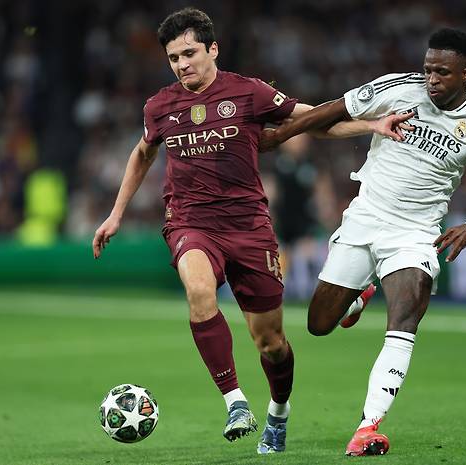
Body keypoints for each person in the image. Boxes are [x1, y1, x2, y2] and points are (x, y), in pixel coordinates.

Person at [91, 7, 410, 454]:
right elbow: (143, 153)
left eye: (189, 53)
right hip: (190, 222)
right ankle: (235, 401)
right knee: (199, 290)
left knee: (271, 343)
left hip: (249, 228)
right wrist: (116, 213)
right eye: (173, 58)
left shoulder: (249, 92)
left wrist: (370, 124)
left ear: (213, 49)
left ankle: (279, 411)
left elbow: (312, 118)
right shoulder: (159, 106)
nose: (181, 64)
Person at [260, 28, 466, 456]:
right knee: (319, 324)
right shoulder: (397, 88)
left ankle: (368, 426)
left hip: (415, 234)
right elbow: (332, 109)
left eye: (443, 72)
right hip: (365, 219)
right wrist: (281, 134)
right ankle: (359, 296)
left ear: (465, 73)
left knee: (404, 322)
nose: (432, 79)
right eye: (428, 69)